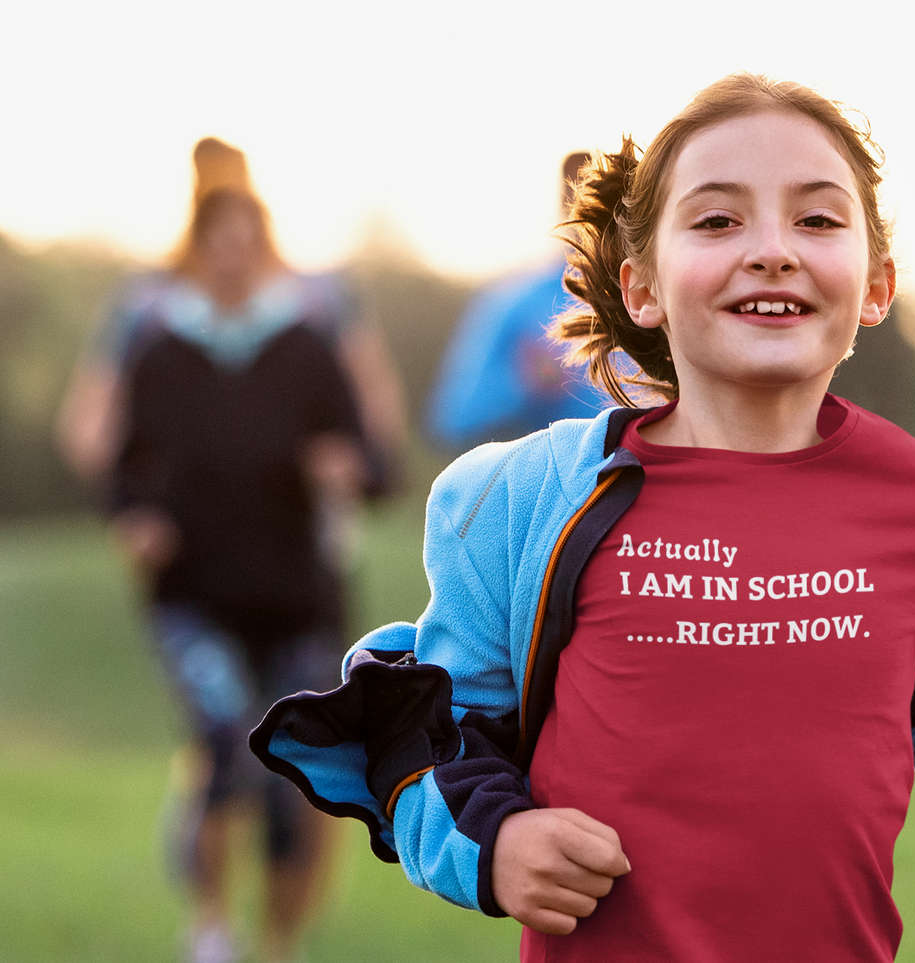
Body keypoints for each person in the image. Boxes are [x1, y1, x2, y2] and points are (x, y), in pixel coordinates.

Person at [253, 74, 915, 961]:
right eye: (716, 218)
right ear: (642, 286)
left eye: (817, 217)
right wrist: (498, 840)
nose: (772, 246)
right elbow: (433, 728)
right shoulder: (532, 500)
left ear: (874, 283)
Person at [105, 138, 384, 963]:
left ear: (264, 247)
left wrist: (346, 467)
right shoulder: (160, 348)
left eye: (244, 240)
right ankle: (211, 928)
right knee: (227, 741)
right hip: (195, 591)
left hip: (299, 590)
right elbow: (125, 464)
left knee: (293, 772)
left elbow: (371, 460)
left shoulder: (304, 342)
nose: (229, 257)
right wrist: (138, 517)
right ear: (194, 251)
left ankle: (278, 944)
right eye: (213, 241)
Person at [56, 138, 407, 493]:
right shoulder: (151, 306)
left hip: (294, 511)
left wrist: (356, 465)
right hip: (189, 515)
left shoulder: (317, 300)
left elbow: (374, 414)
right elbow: (88, 433)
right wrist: (139, 489)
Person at [426, 152, 612, 448]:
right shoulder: (511, 304)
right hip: (559, 486)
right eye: (585, 198)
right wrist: (524, 382)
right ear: (567, 203)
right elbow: (451, 421)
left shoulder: (660, 304)